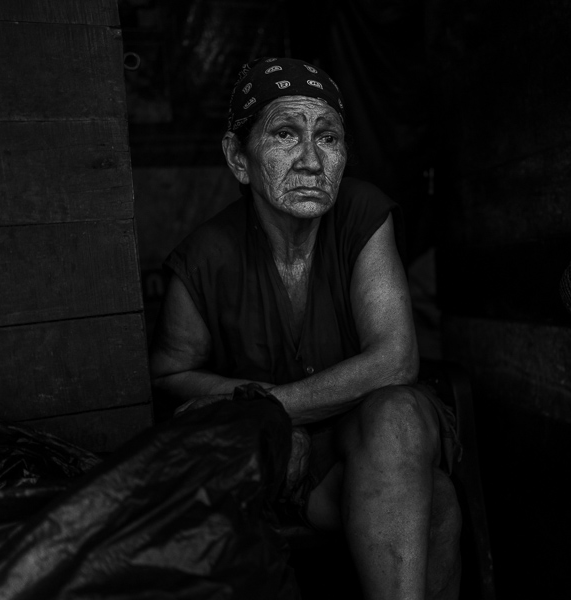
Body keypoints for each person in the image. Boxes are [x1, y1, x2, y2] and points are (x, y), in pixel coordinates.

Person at [148, 57, 462, 600]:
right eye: (286, 134)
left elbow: (394, 360)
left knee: (397, 412)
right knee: (437, 502)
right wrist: (273, 434)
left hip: (371, 442)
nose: (312, 160)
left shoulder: (362, 214)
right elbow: (170, 374)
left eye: (329, 138)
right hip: (286, 474)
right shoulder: (205, 256)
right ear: (237, 158)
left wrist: (269, 409)